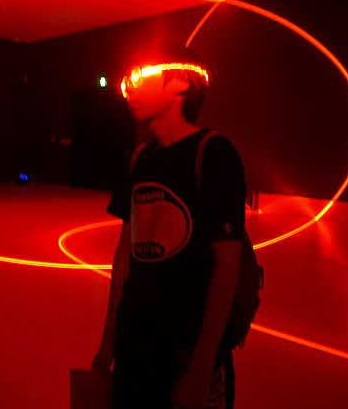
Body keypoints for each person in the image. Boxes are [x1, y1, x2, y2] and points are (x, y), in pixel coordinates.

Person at [92, 46, 248, 409]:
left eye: (139, 76)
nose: (128, 89)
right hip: (134, 348)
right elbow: (124, 257)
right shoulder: (139, 158)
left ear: (179, 82)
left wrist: (201, 368)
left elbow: (227, 266)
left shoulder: (214, 153)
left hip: (186, 352)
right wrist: (108, 343)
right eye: (127, 81)